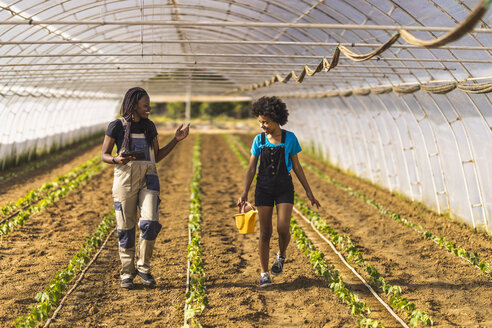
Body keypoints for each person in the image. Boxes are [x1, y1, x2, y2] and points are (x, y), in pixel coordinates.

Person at [101, 87, 190, 288]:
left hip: (149, 178)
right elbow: (104, 155)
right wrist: (117, 159)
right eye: (145, 105)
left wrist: (176, 140)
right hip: (125, 179)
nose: (148, 108)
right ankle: (127, 273)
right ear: (133, 106)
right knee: (125, 227)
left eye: (149, 105)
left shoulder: (150, 127)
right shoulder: (117, 126)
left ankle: (143, 266)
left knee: (150, 222)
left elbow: (156, 157)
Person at [238, 96, 320, 287]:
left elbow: (297, 167)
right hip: (263, 188)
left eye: (265, 122)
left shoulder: (289, 138)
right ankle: (264, 273)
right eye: (260, 122)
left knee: (283, 229)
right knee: (265, 232)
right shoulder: (258, 140)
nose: (262, 126)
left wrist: (308, 191)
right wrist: (244, 193)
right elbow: (251, 168)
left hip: (284, 187)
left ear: (276, 119)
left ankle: (281, 255)